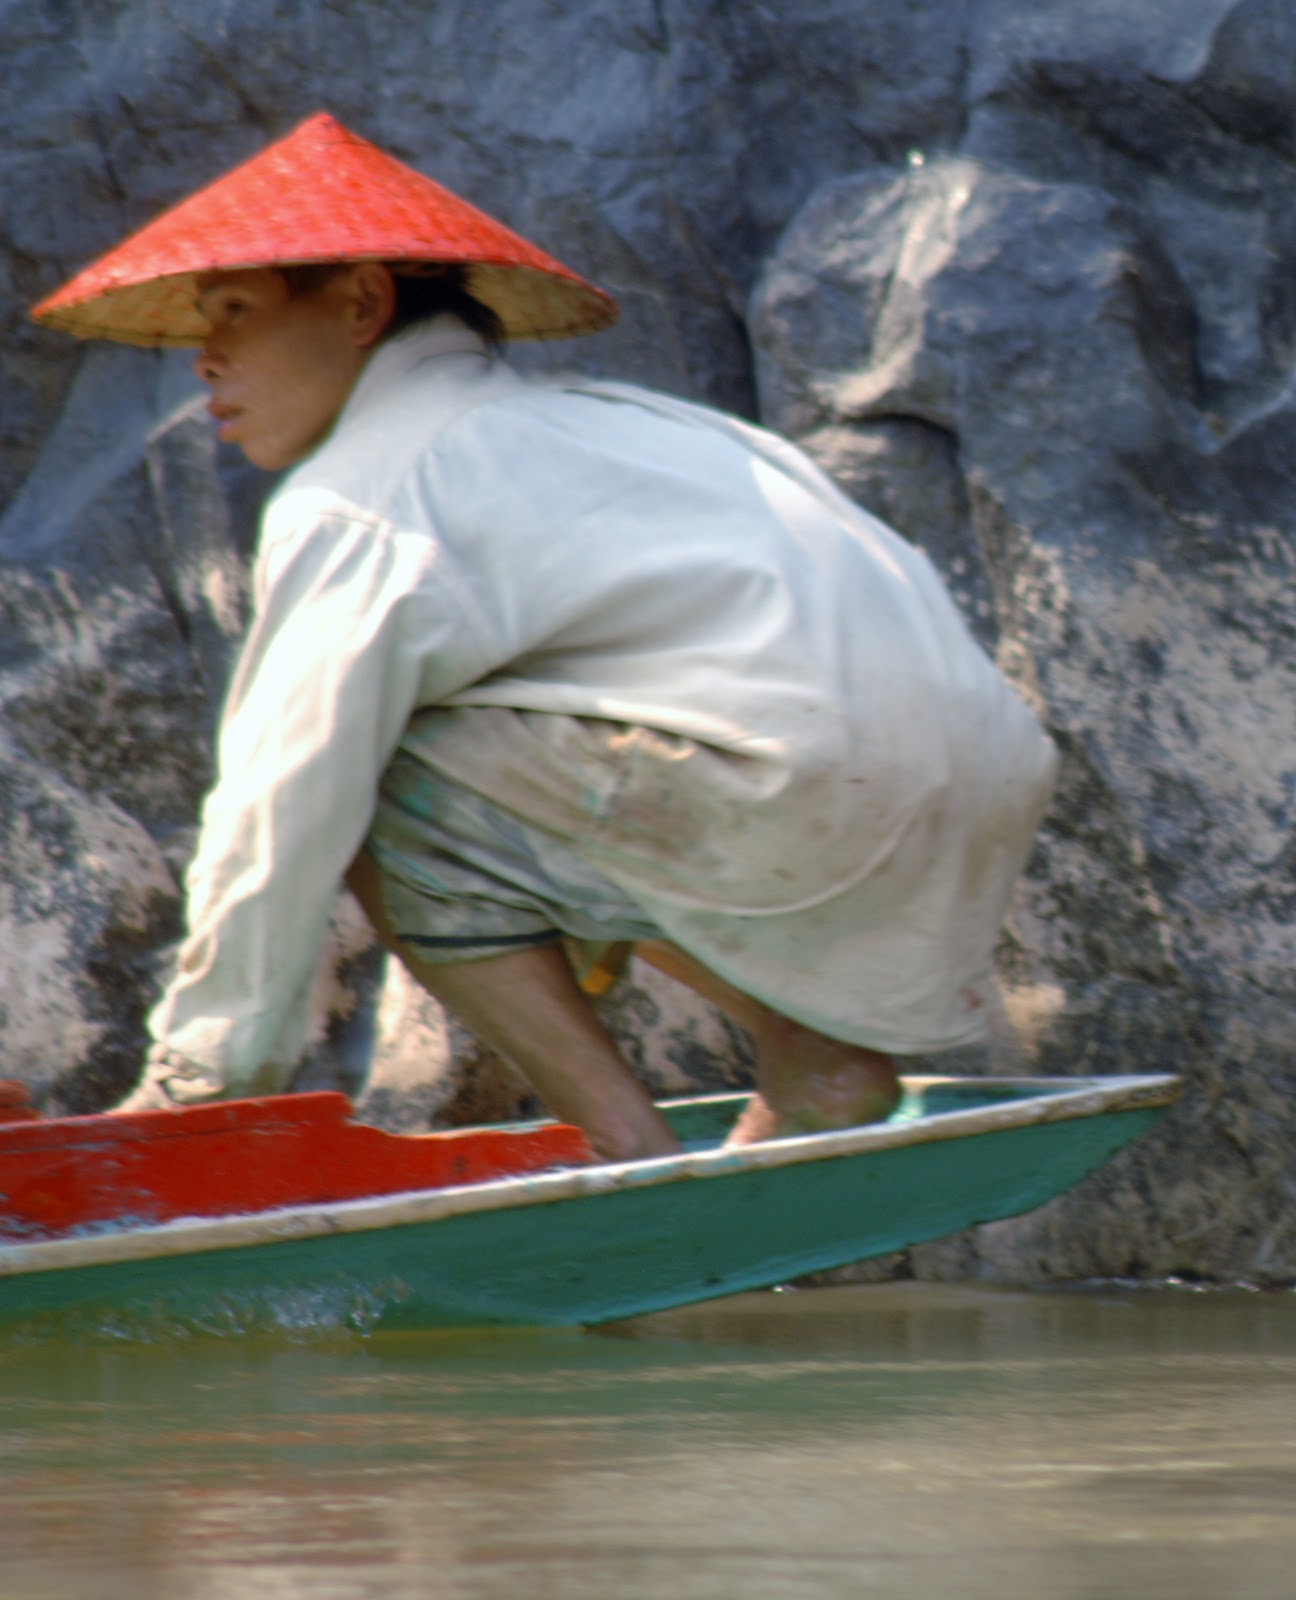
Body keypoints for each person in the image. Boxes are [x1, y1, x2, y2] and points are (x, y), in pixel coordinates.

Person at [33, 113, 1057, 1161]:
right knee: (464, 746)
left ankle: (628, 1148)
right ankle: (807, 1050)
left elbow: (279, 802)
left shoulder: (363, 491)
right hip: (983, 774)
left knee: (362, 771)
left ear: (360, 302)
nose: (207, 359)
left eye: (237, 312)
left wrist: (200, 1081)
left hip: (795, 785)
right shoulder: (619, 424)